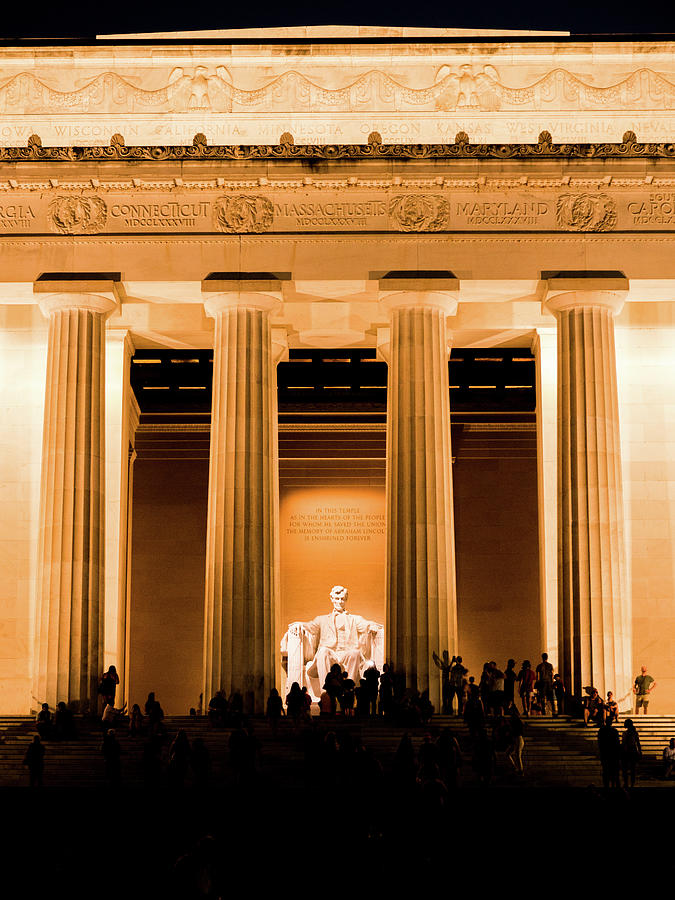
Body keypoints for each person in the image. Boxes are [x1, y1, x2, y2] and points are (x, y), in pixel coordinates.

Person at [284, 585, 382, 698]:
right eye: (337, 598)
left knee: (355, 653)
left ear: (346, 600)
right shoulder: (322, 619)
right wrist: (300, 624)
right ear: (332, 599)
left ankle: (347, 690)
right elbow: (310, 626)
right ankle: (325, 693)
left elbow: (366, 625)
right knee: (323, 652)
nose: (339, 602)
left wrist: (373, 626)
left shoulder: (355, 619)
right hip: (330, 654)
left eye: (342, 599)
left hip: (347, 653)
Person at [597, 720, 621, 789]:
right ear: (611, 723)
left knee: (605, 771)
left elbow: (599, 742)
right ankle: (614, 785)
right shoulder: (614, 731)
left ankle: (606, 786)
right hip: (613, 753)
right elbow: (617, 742)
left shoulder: (601, 730)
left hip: (605, 753)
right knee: (614, 771)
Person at [620, 718, 642, 789]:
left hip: (627, 751)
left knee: (625, 769)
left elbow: (624, 744)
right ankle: (632, 783)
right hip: (633, 750)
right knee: (632, 769)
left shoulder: (626, 733)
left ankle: (626, 783)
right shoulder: (634, 733)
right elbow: (638, 743)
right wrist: (640, 751)